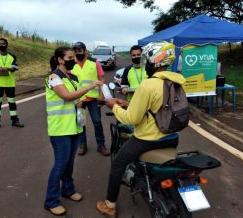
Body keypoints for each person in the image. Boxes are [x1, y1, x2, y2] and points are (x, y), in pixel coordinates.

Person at [96, 41, 186, 217]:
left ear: (155, 60)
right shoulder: (176, 82)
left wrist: (114, 106)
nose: (145, 63)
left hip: (147, 139)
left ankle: (109, 205)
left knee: (118, 164)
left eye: (147, 59)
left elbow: (131, 118)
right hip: (170, 136)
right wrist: (128, 103)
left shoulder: (148, 84)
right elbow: (159, 108)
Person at [44, 46, 102, 216]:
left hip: (75, 126)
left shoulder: (73, 77)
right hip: (60, 128)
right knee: (60, 164)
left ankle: (68, 190)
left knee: (69, 162)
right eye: (69, 57)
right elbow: (67, 96)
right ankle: (51, 201)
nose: (73, 59)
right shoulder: (53, 77)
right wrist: (90, 86)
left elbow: (75, 98)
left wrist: (79, 101)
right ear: (60, 60)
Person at [71, 42, 109, 156]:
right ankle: (82, 145)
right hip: (79, 99)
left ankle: (101, 145)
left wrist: (101, 94)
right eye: (76, 51)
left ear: (85, 51)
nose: (78, 53)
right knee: (80, 123)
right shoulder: (72, 63)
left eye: (80, 50)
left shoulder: (94, 62)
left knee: (97, 122)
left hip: (93, 98)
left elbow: (101, 78)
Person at [0, 38, 24, 130]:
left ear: (7, 45)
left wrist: (7, 69)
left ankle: (15, 120)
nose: (1, 45)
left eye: (3, 43)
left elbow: (15, 67)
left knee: (12, 102)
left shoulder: (12, 56)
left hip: (9, 83)